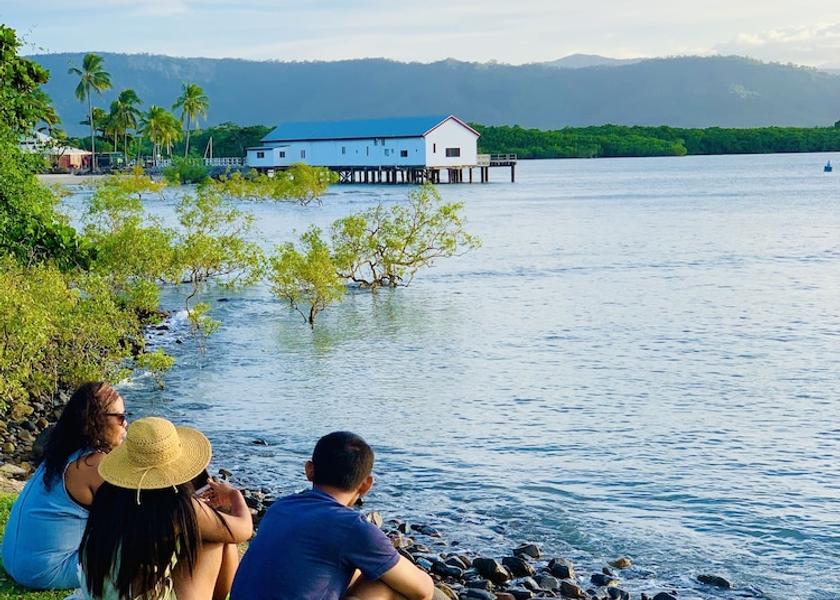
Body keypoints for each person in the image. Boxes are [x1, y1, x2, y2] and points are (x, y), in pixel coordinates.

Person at [231, 431, 437, 600]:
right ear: (366, 485)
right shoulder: (352, 528)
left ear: (309, 470)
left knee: (368, 569)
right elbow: (423, 590)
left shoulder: (280, 507)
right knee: (385, 584)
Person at [78, 416, 253, 600]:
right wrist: (234, 495)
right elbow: (243, 529)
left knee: (206, 529)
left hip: (103, 591)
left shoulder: (109, 494)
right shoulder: (177, 507)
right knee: (216, 536)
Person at [1, 382, 128, 589]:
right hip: (45, 571)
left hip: (15, 560)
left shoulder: (62, 454)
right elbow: (134, 518)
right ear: (96, 420)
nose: (125, 424)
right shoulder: (93, 465)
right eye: (120, 417)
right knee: (151, 543)